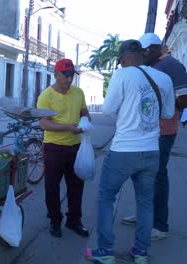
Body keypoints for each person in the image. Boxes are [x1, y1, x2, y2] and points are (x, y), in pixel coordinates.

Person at [84, 40, 175, 264]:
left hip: (124, 150)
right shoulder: (163, 78)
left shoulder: (122, 75)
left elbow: (107, 110)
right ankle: (141, 253)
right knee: (145, 202)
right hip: (151, 150)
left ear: (124, 57)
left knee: (106, 198)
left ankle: (105, 251)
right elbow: (168, 113)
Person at [121, 33, 187, 241]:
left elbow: (184, 99)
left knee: (158, 177)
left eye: (144, 51)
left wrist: (166, 109)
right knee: (144, 175)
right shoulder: (156, 67)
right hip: (149, 132)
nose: (143, 54)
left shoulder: (171, 65)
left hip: (163, 132)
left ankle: (160, 225)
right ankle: (144, 216)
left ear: (152, 49)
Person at [36, 58, 91, 238]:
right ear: (56, 74)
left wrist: (86, 122)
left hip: (75, 147)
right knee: (52, 187)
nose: (69, 79)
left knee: (76, 185)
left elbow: (84, 112)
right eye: (65, 75)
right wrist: (67, 127)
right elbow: (43, 123)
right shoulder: (46, 96)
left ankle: (74, 221)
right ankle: (55, 220)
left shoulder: (78, 92)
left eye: (71, 75)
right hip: (54, 148)